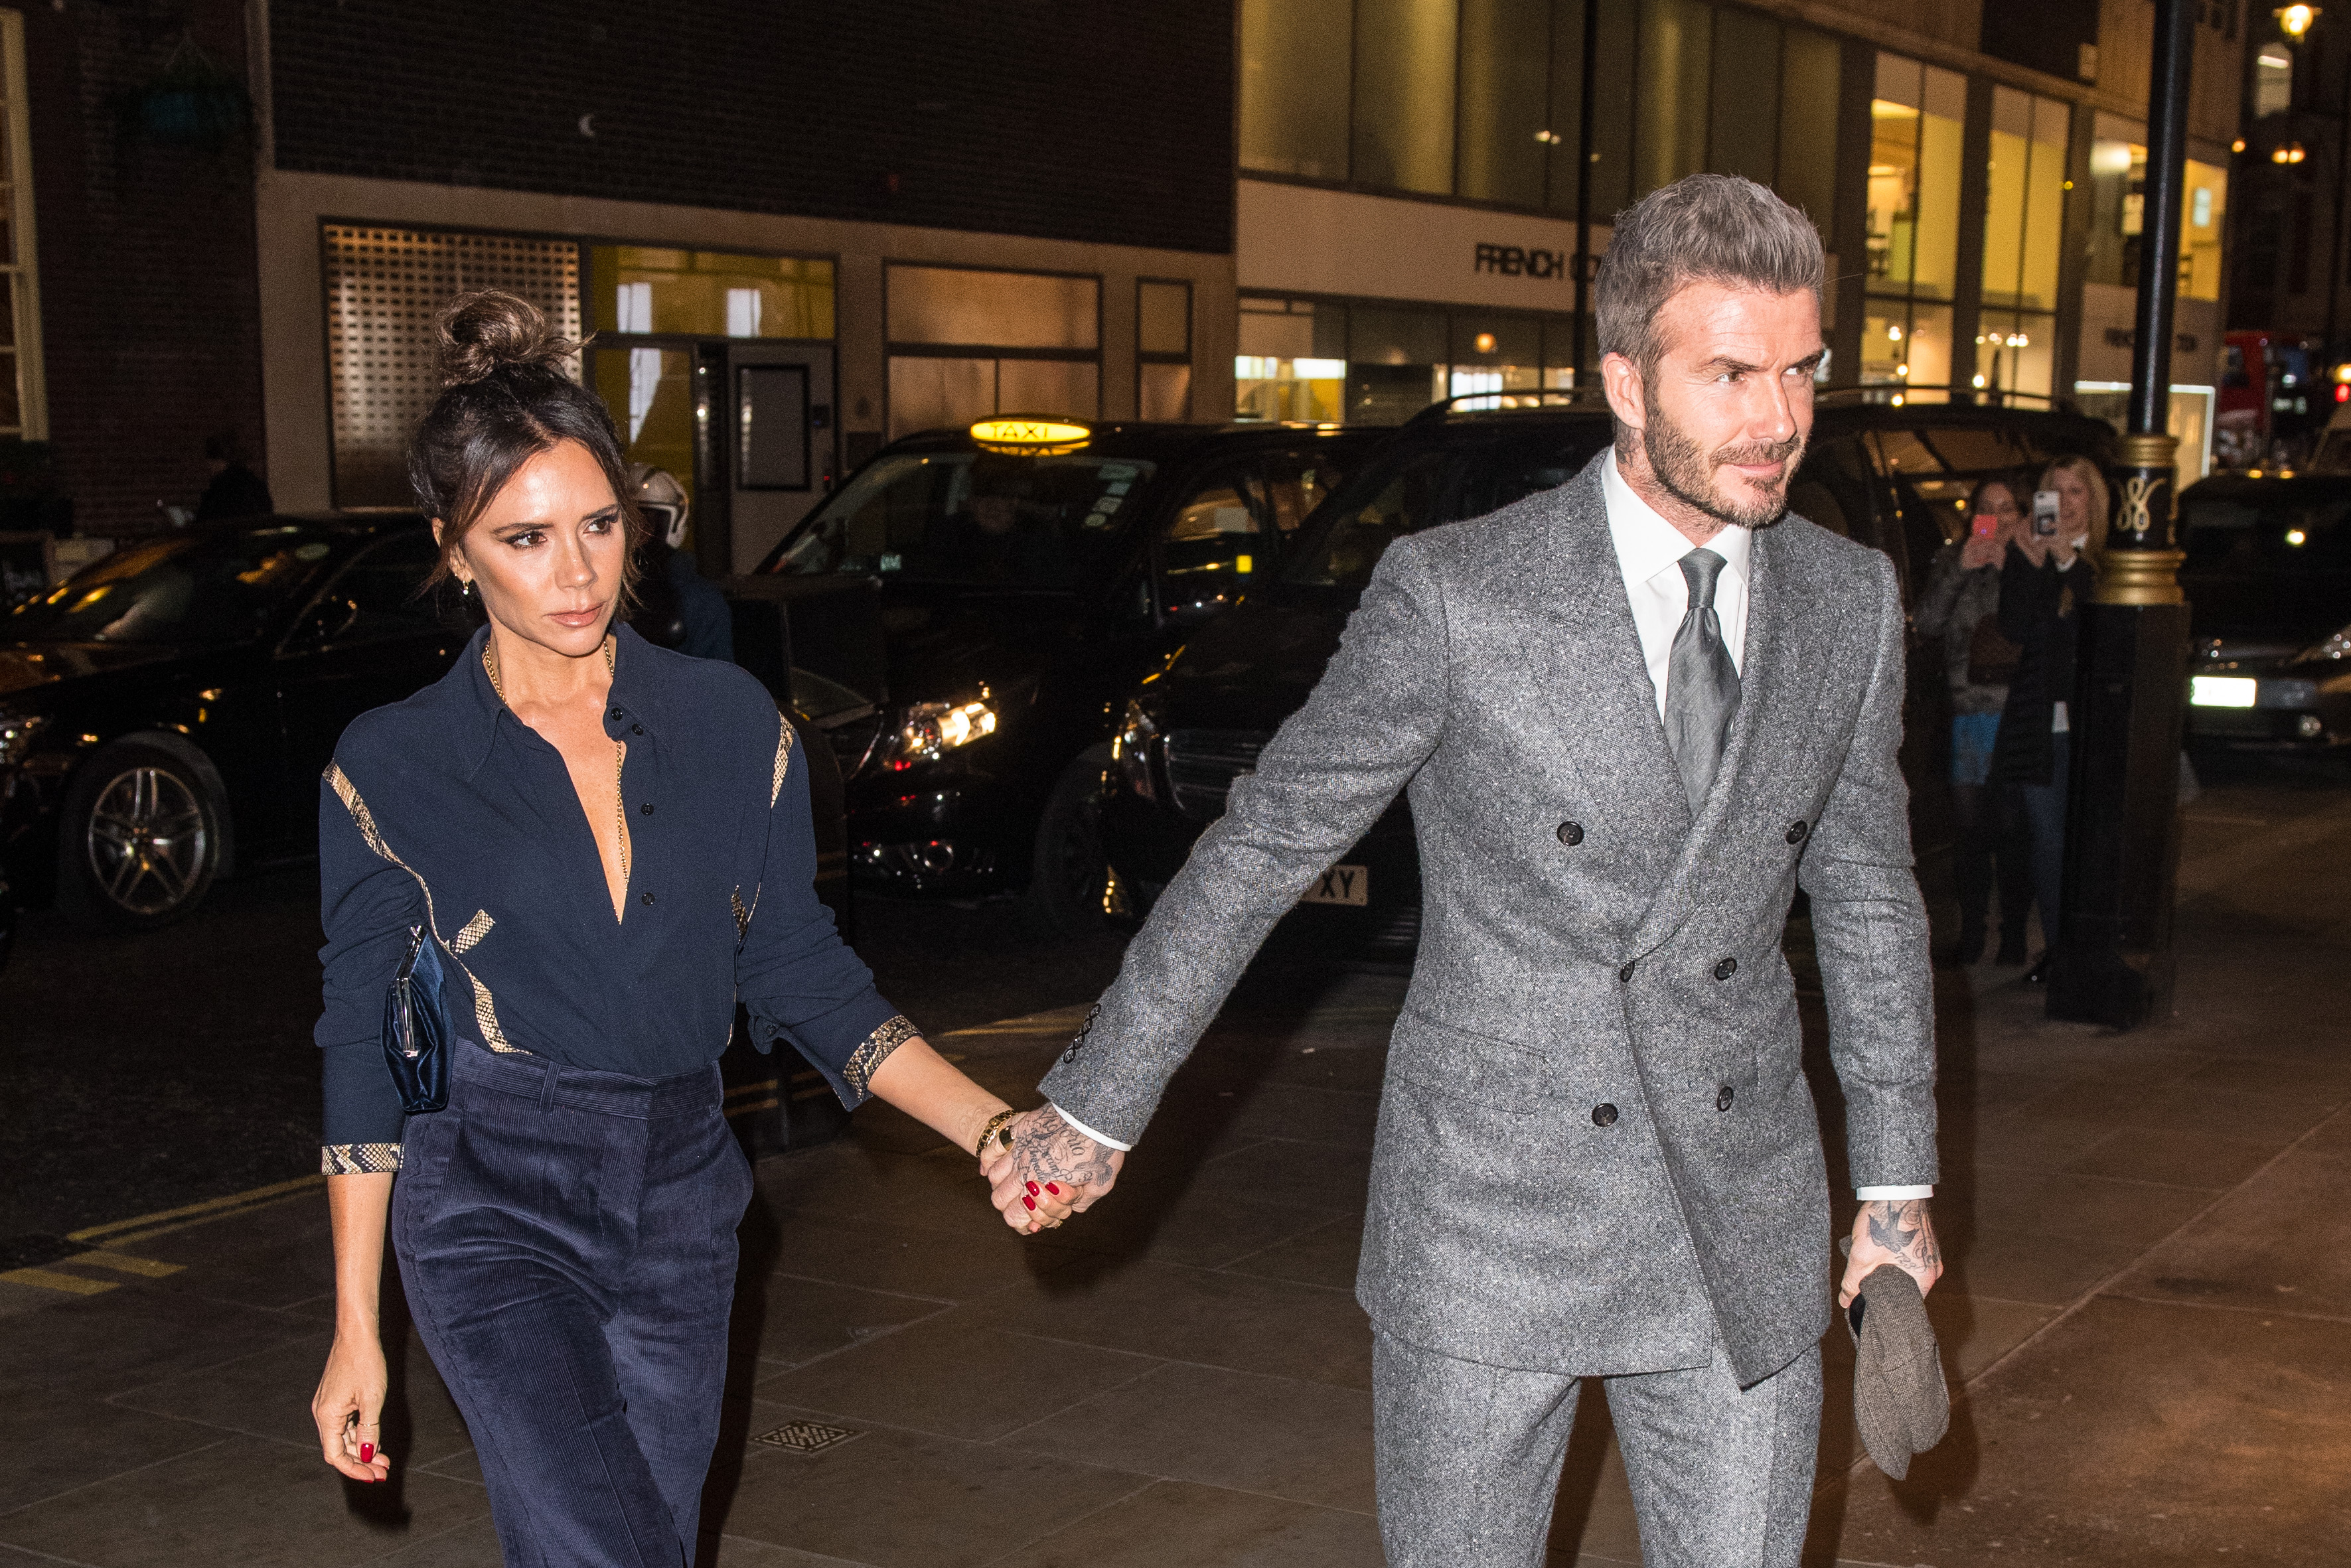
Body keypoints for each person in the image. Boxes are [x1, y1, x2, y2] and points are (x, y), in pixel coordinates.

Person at [982, 175, 1942, 1565]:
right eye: (1729, 372)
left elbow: (1865, 892)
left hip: (1735, 1204)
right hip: (1491, 1209)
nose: (1779, 418)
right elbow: (1267, 839)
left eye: (1800, 368)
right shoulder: (1456, 592)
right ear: (1624, 377)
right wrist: (1099, 1101)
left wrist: (1896, 1183)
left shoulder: (1847, 600)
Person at [307, 291, 1073, 1562]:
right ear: (454, 549)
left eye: (600, 525)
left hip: (678, 1191)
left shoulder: (730, 726)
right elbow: (358, 1044)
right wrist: (353, 1323)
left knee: (636, 1541)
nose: (576, 572)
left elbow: (801, 975)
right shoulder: (392, 763)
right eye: (526, 537)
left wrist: (993, 1127)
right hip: (491, 1195)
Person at [1993, 453, 2109, 985]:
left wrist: (2068, 562)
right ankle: (2059, 948)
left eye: (2076, 492)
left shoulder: (2109, 560)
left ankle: (2087, 946)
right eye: (2054, 492)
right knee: (2046, 836)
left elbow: (2099, 629)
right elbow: (2017, 626)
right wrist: (2035, 563)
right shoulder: (2028, 552)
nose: (2064, 503)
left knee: (2090, 838)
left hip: (2094, 725)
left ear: (2095, 500)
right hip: (2040, 718)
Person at [1915, 474, 2033, 965]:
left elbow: (2038, 624)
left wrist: (2015, 571)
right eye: (1987, 509)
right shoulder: (1953, 558)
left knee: (2012, 828)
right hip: (1968, 713)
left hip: (2018, 711)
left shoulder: (2031, 559)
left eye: (2007, 510)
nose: (1997, 520)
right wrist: (1961, 568)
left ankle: (2012, 936)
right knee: (1970, 833)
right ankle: (1971, 933)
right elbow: (1926, 621)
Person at [627, 464, 735, 661]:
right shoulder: (601, 590)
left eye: (646, 524)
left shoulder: (699, 601)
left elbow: (716, 684)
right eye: (627, 523)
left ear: (674, 523)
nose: (636, 535)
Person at [193, 433, 273, 521]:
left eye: (210, 460)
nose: (209, 466)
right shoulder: (255, 483)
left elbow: (204, 518)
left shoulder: (221, 488)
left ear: (219, 461)